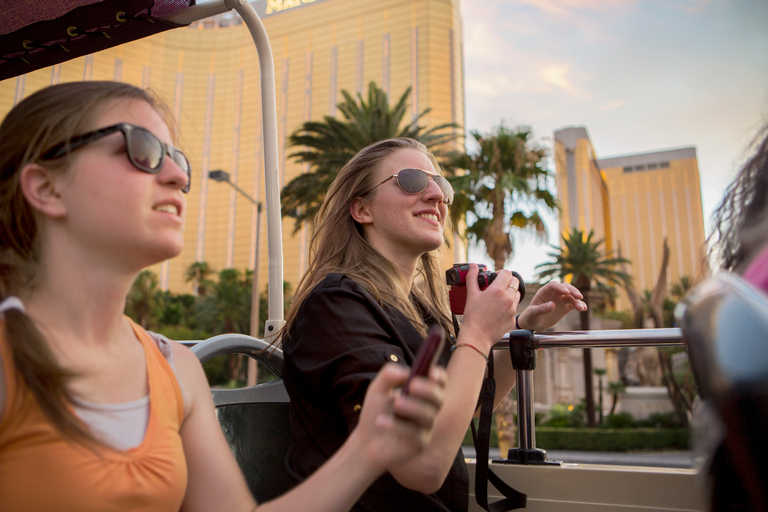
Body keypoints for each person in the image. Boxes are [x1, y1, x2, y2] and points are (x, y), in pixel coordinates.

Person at [0, 81, 447, 512]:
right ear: (46, 187)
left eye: (178, 159)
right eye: (142, 151)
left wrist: (366, 450)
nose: (179, 176)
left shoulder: (177, 369)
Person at [280, 137, 587, 511]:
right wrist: (476, 334)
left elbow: (463, 406)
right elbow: (421, 465)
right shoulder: (335, 306)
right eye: (411, 180)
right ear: (362, 209)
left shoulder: (419, 309)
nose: (436, 196)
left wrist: (519, 327)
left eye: (441, 186)